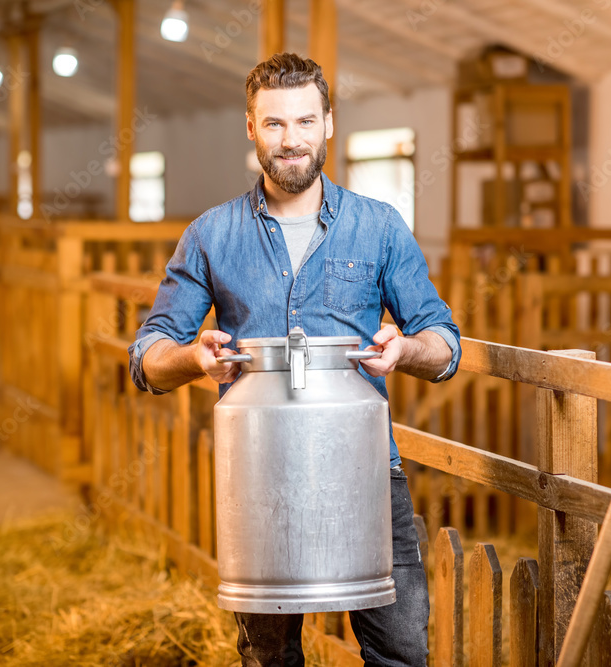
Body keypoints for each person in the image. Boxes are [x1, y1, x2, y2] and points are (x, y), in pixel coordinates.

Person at [127, 52, 461, 667]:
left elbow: (443, 343)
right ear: (250, 128)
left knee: (402, 653)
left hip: (366, 469)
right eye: (275, 124)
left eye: (305, 122)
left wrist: (406, 347)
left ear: (329, 124)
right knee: (269, 659)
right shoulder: (212, 234)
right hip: (259, 476)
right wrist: (192, 357)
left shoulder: (379, 227)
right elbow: (147, 357)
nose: (291, 141)